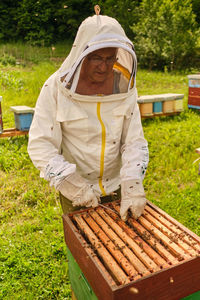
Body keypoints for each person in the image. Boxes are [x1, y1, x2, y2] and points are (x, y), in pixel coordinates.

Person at [27, 6, 149, 222]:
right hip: (76, 191)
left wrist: (132, 184)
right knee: (83, 251)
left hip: (117, 186)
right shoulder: (55, 88)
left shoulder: (124, 86)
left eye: (110, 58)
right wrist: (71, 184)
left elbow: (134, 140)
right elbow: (41, 145)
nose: (104, 66)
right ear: (82, 54)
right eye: (95, 58)